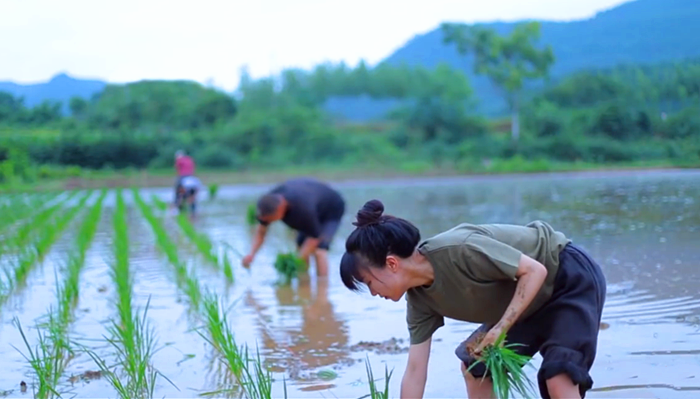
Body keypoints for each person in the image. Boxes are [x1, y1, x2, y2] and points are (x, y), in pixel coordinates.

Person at [339, 199, 607, 399]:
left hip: (566, 276)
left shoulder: (459, 249)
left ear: (392, 264)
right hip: (525, 301)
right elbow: (415, 369)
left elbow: (535, 271)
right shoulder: (419, 301)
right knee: (477, 369)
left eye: (369, 283)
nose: (373, 292)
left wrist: (500, 329)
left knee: (558, 378)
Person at [242, 178, 346, 277]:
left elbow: (314, 238)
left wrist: (294, 262)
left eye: (271, 219)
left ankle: (322, 286)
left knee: (320, 249)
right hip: (313, 202)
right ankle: (304, 280)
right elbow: (261, 232)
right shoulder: (268, 203)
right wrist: (251, 254)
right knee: (300, 244)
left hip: (332, 209)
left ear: (280, 209)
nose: (268, 222)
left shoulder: (303, 209)